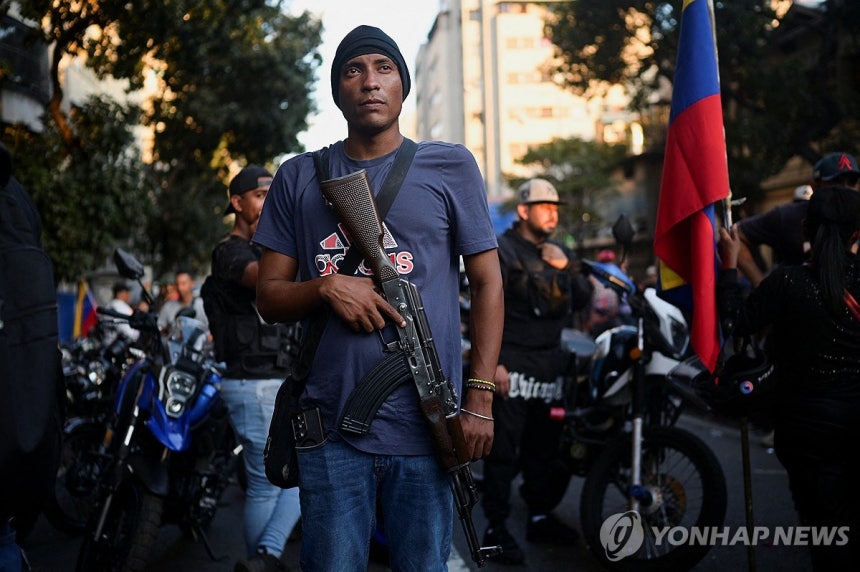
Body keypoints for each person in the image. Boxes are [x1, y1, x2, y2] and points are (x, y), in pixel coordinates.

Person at [253, 25, 504, 571]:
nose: (370, 81)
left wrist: (480, 399)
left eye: (384, 68)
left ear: (403, 86)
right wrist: (326, 286)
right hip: (329, 427)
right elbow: (268, 298)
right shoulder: (298, 176)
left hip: (428, 425)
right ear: (338, 90)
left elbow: (488, 282)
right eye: (354, 70)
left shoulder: (450, 166)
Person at [718, 185, 860, 570]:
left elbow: (734, 324)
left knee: (826, 533)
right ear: (856, 233)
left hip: (805, 430)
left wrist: (729, 268)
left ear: (806, 230)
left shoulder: (786, 282)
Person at [481, 178, 592, 565]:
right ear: (524, 211)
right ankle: (495, 528)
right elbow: (485, 305)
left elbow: (584, 298)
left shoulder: (561, 251)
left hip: (551, 363)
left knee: (543, 449)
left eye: (555, 207)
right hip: (512, 362)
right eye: (544, 207)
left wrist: (569, 267)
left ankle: (540, 516)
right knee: (503, 452)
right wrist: (494, 363)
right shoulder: (503, 249)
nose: (552, 214)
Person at [205, 165, 301, 572]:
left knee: (288, 477)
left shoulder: (266, 249)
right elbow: (266, 279)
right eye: (261, 196)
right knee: (268, 483)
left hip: (272, 380)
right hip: (252, 381)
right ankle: (267, 557)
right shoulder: (230, 252)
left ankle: (263, 560)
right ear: (237, 202)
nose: (268, 204)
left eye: (271, 196)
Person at [736, 151, 860, 287]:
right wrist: (761, 284)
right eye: (837, 183)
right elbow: (735, 235)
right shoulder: (787, 217)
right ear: (815, 186)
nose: (846, 189)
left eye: (852, 182)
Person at [157, 268, 208, 332]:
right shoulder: (168, 307)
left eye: (183, 284)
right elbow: (160, 327)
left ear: (192, 284)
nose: (180, 288)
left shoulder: (201, 305)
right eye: (177, 284)